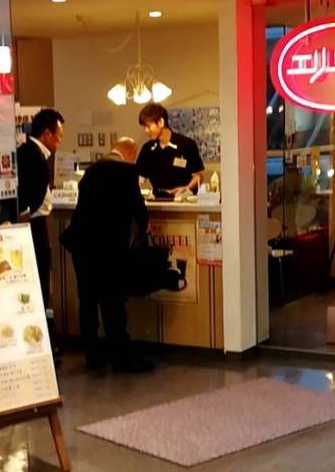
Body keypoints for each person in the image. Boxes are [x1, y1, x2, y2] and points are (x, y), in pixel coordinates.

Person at [61, 138, 153, 374]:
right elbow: (138, 209)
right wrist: (144, 224)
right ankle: (121, 359)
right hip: (109, 247)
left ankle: (93, 355)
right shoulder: (128, 172)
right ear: (131, 152)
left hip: (82, 243)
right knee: (113, 302)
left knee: (88, 300)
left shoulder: (91, 170)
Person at [17, 107, 64, 312]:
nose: (59, 141)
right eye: (58, 135)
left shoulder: (35, 153)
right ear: (47, 133)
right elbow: (25, 189)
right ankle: (40, 318)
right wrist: (24, 213)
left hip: (35, 220)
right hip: (31, 223)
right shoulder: (31, 154)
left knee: (42, 269)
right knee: (38, 271)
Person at [136, 103, 205, 198]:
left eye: (148, 126)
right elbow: (139, 176)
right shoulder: (147, 149)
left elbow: (198, 176)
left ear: (161, 122)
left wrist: (186, 188)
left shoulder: (186, 144)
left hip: (183, 200)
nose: (146, 130)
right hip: (157, 201)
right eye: (144, 127)